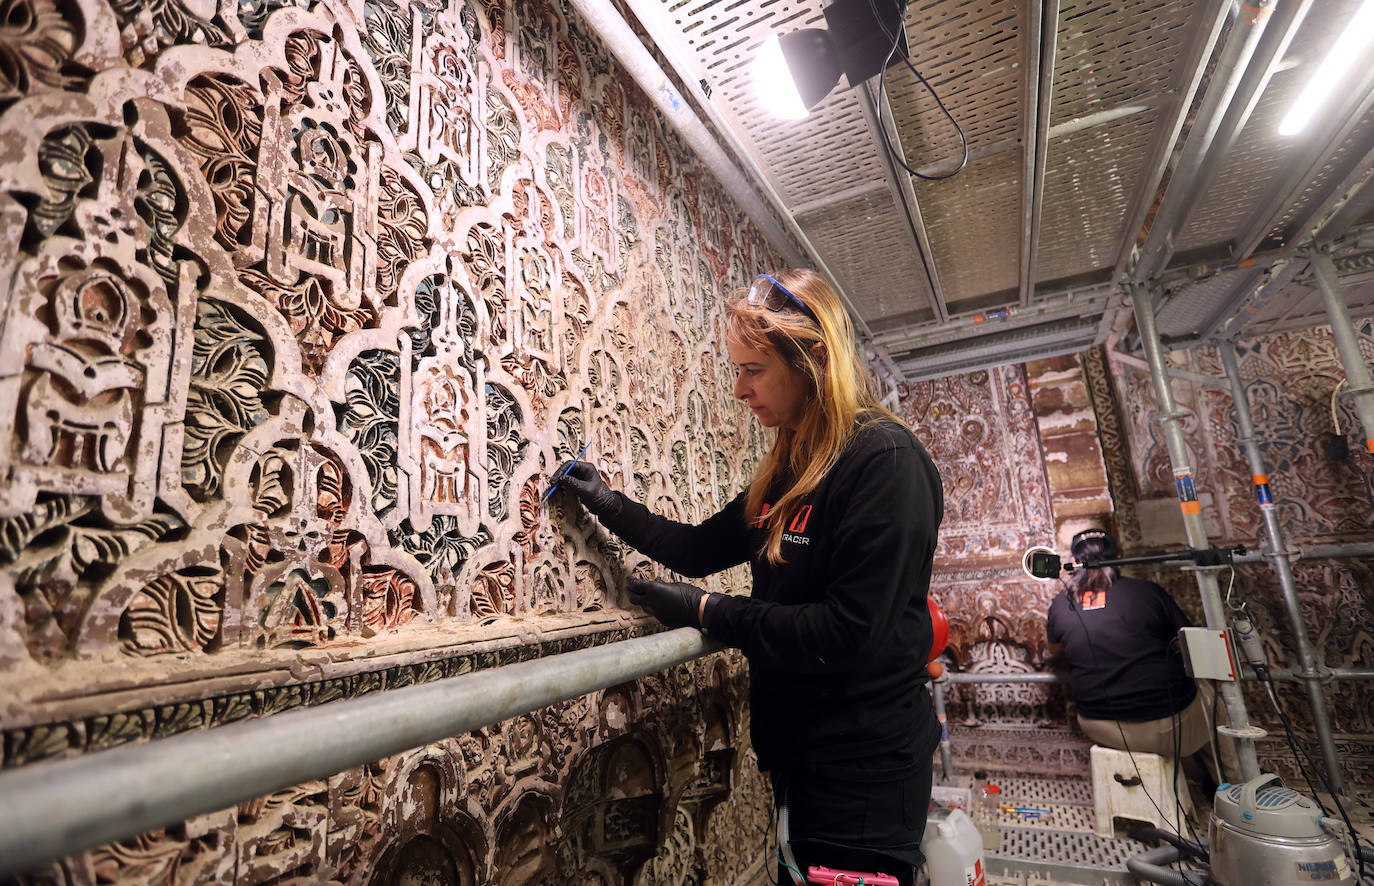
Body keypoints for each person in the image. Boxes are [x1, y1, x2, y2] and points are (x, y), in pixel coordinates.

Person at [553, 269, 943, 885]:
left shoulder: (884, 463)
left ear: (814, 361)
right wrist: (606, 502)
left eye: (753, 370)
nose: (739, 390)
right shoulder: (793, 469)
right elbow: (696, 548)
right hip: (801, 758)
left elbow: (848, 632)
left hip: (865, 771)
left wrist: (708, 612)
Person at [1046, 528, 1236, 784]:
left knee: (1177, 721)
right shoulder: (1146, 591)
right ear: (1119, 557)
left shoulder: (1060, 604)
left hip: (1098, 725)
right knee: (1213, 701)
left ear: (1073, 562)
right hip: (1165, 725)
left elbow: (1054, 649)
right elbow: (1188, 642)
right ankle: (1234, 787)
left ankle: (1184, 782)